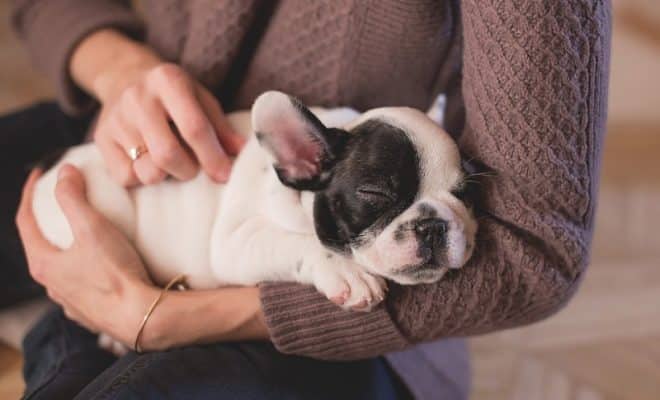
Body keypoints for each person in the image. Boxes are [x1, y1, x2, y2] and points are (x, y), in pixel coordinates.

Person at [2, 1, 611, 399]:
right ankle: (67, 332)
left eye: (458, 196)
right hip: (130, 144)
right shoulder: (312, 157)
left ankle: (63, 338)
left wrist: (166, 319)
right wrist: (119, 70)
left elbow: (537, 250)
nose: (429, 224)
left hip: (310, 315)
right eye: (383, 201)